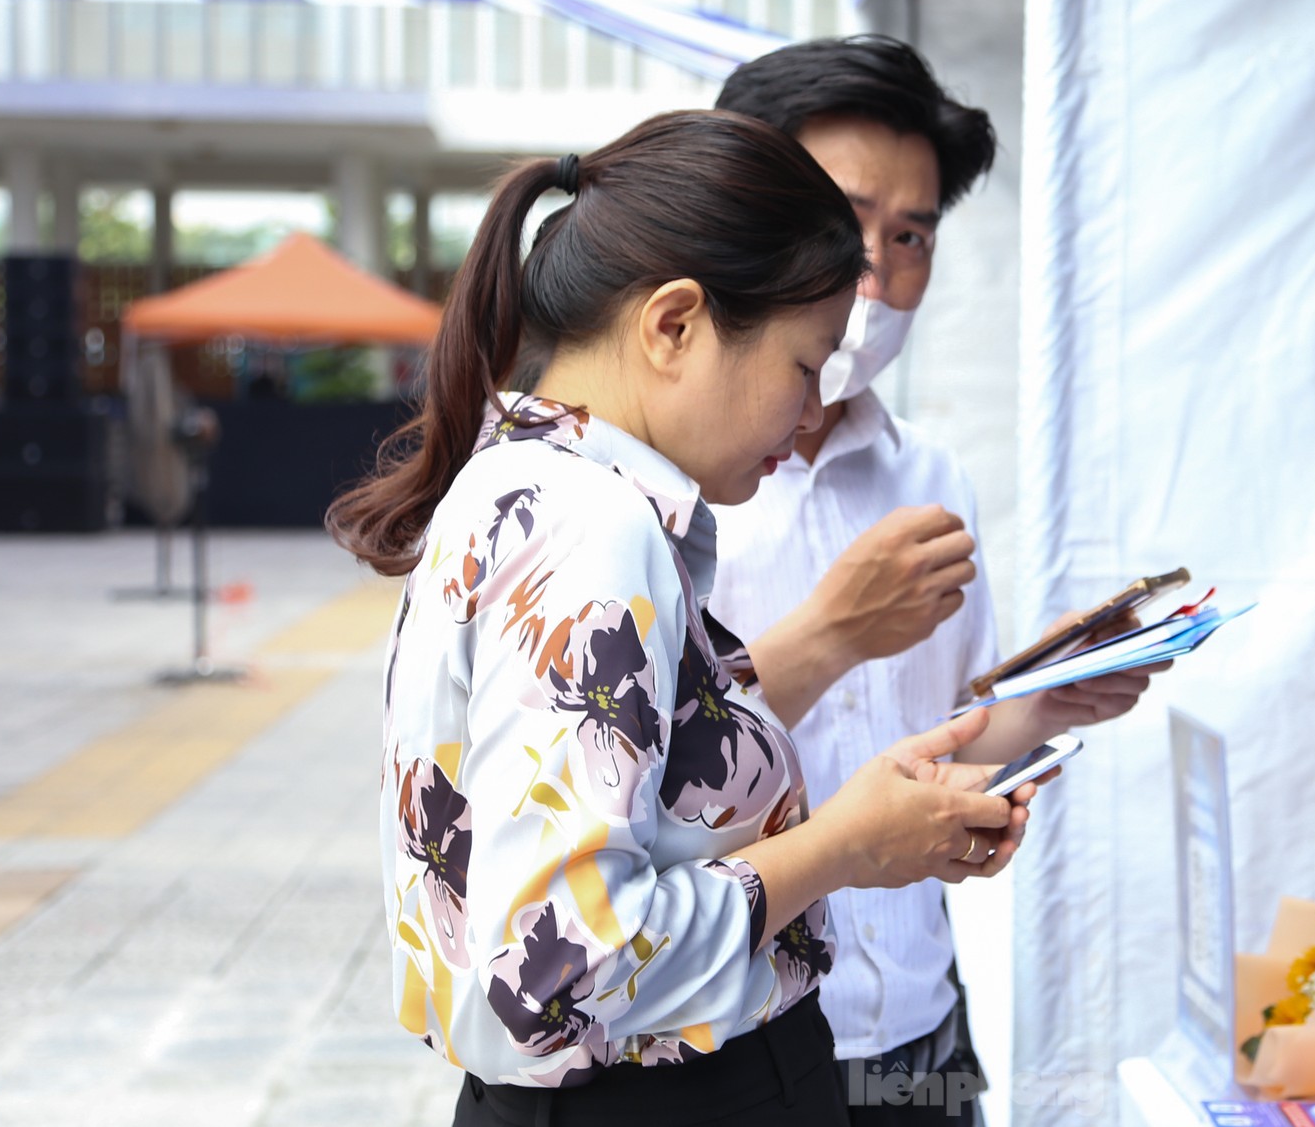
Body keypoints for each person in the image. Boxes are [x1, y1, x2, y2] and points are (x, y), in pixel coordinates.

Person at [327, 110, 1044, 1126]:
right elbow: (560, 972)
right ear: (673, 325)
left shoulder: (536, 491)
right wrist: (841, 847)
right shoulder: (591, 526)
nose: (806, 414)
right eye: (802, 367)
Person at [708, 37, 1165, 1125]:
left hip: (915, 1013)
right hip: (739, 1031)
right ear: (733, 199)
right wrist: (827, 631)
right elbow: (630, 783)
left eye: (908, 234)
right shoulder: (658, 495)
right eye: (840, 215)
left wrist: (1047, 700)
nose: (870, 266)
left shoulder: (925, 476)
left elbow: (948, 726)